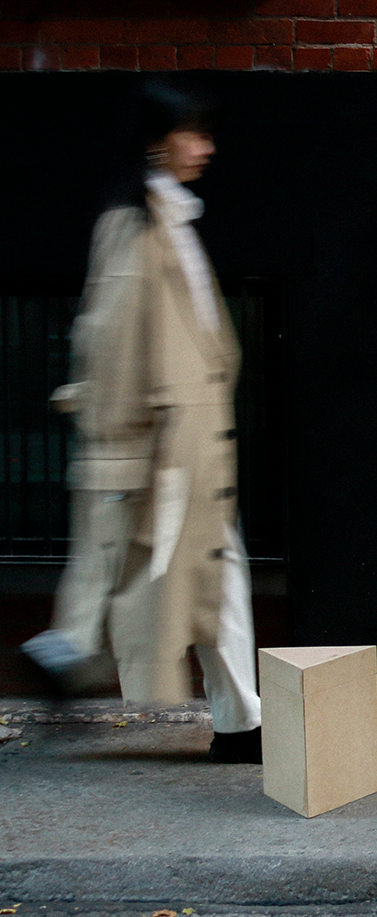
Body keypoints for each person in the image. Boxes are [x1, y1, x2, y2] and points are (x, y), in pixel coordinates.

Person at [20, 79, 262, 763]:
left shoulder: (168, 220)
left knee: (210, 579)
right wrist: (121, 450)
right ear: (158, 140)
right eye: (194, 133)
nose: (206, 148)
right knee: (189, 579)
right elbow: (114, 345)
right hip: (166, 451)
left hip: (192, 447)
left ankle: (238, 722)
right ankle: (71, 652)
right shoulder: (136, 227)